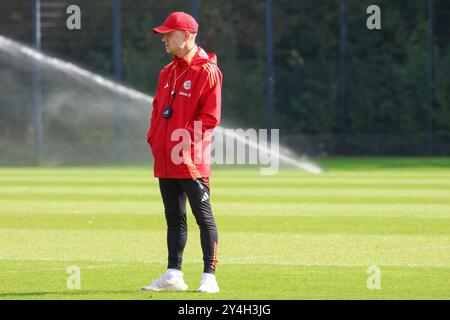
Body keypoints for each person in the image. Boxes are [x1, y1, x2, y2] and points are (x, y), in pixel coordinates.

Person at [142, 11, 222, 293]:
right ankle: (173, 274)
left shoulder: (207, 71)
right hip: (165, 159)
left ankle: (209, 277)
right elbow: (156, 111)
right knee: (173, 218)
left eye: (169, 34)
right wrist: (155, 139)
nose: (164, 39)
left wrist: (183, 144)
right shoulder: (166, 71)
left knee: (203, 217)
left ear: (186, 36)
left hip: (190, 161)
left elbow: (210, 118)